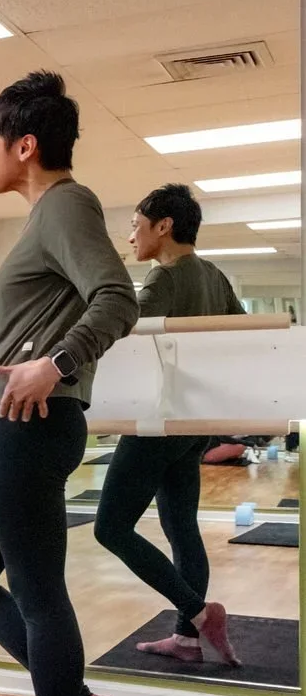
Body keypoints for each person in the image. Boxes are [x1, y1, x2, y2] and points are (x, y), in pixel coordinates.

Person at [0, 71, 141, 696]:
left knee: (35, 591)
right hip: (13, 423)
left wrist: (52, 366)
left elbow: (117, 299)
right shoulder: (46, 215)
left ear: (25, 146)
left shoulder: (66, 205)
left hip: (32, 422)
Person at [94, 184, 243, 665]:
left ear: (164, 227)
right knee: (181, 527)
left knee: (111, 529)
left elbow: (119, 345)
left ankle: (198, 614)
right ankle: (186, 639)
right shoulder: (215, 276)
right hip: (193, 424)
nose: (131, 235)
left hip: (157, 423)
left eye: (137, 225)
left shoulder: (162, 280)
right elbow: (242, 335)